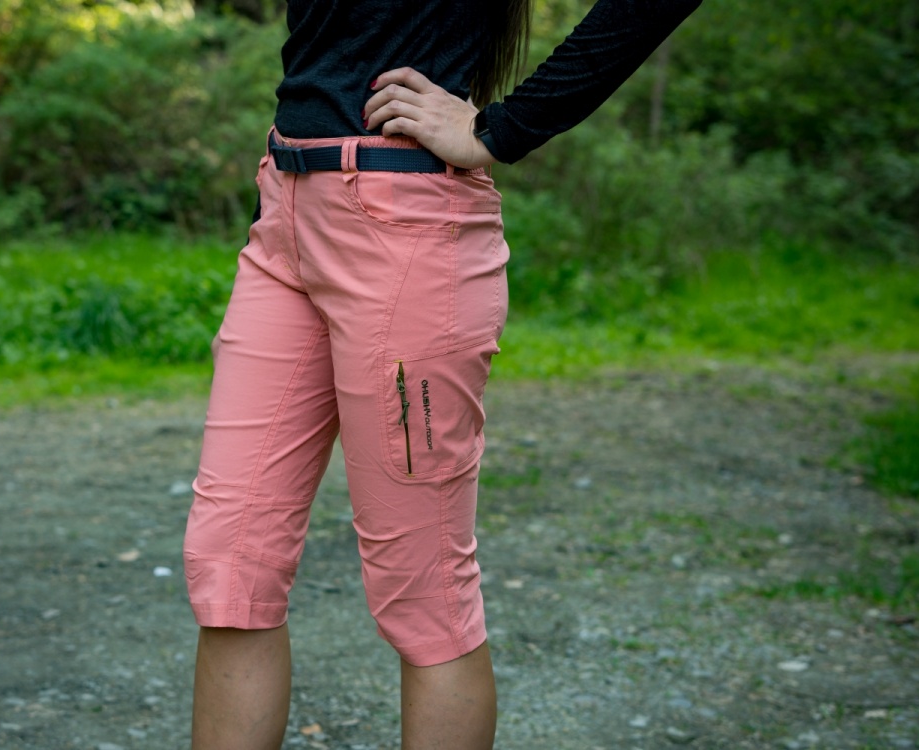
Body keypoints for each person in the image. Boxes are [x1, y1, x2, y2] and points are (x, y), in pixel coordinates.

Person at [182, 1, 702, 747]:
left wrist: (503, 127)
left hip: (408, 226)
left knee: (422, 591)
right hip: (285, 213)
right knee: (229, 565)